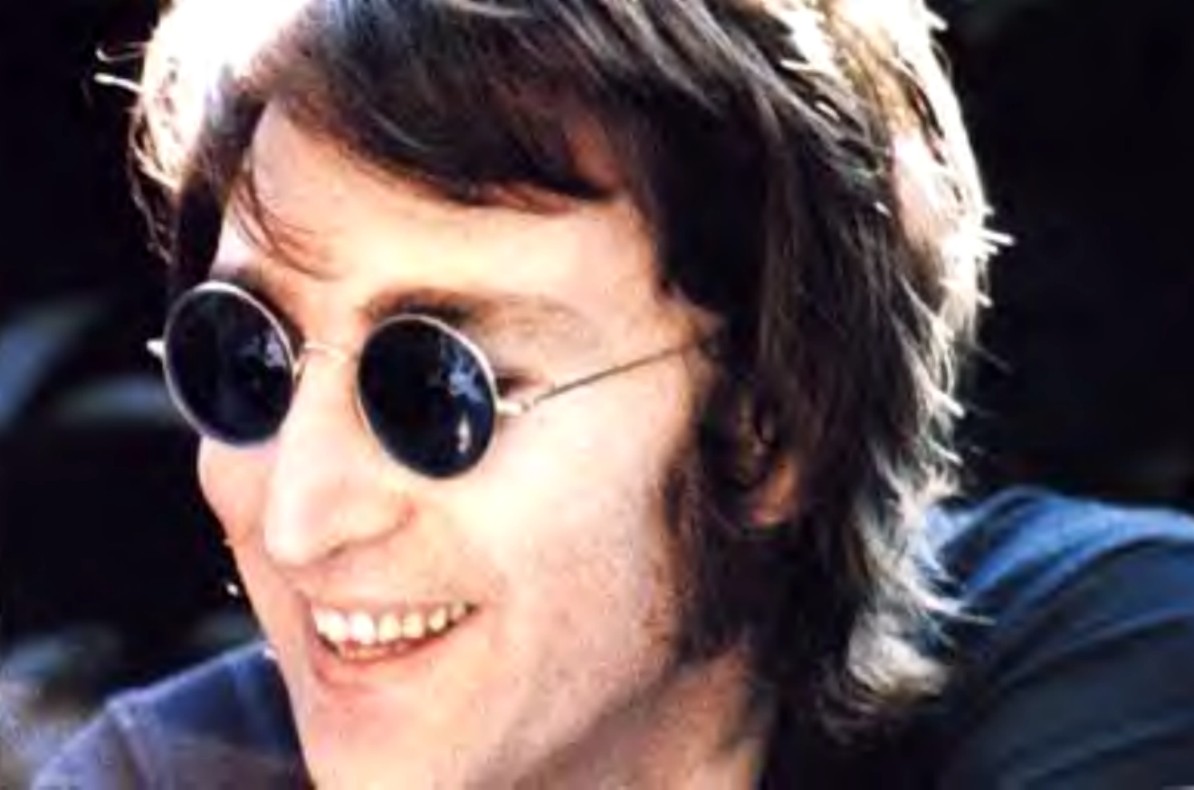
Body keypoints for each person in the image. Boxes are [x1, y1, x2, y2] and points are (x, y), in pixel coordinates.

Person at [34, 0, 1194, 787]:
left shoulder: (1119, 675)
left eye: (436, 389)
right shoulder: (165, 772)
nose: (297, 520)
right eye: (249, 361)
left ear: (771, 422)